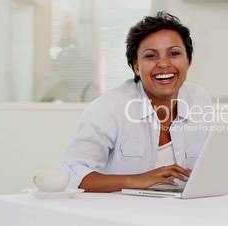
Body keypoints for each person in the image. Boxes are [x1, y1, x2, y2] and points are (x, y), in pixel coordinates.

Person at [61, 11, 212, 192]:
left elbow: (212, 163)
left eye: (174, 53)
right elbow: (71, 172)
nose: (163, 64)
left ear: (188, 61)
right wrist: (136, 180)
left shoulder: (199, 99)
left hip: (184, 211)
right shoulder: (109, 107)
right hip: (122, 214)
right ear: (136, 66)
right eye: (151, 56)